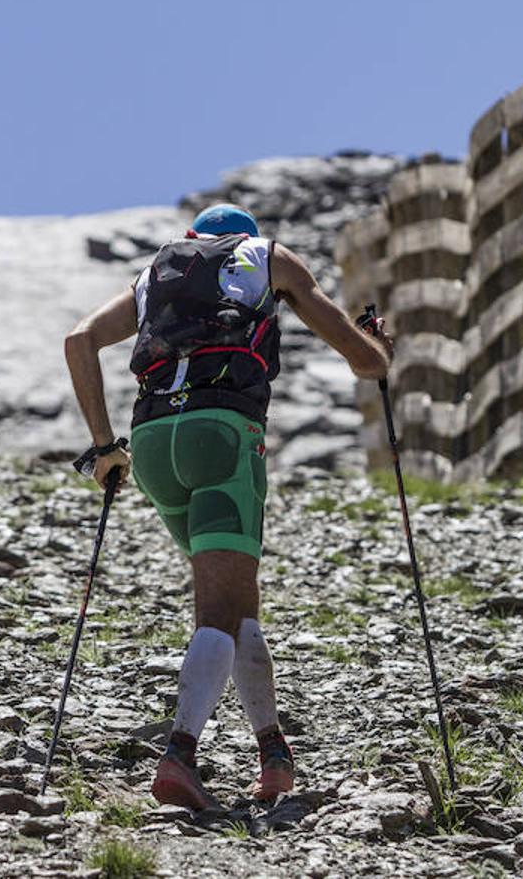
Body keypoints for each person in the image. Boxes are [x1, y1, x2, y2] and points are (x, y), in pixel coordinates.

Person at [63, 203, 393, 810]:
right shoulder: (268, 257)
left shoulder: (156, 274)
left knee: (236, 601)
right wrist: (378, 347)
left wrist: (104, 446)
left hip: (155, 443)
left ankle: (274, 755)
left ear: (194, 243)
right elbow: (364, 362)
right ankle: (178, 757)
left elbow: (80, 339)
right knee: (218, 606)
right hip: (223, 433)